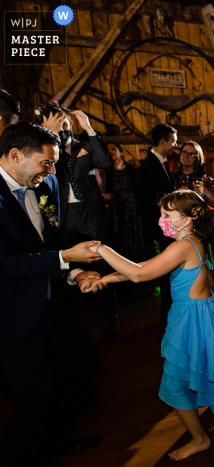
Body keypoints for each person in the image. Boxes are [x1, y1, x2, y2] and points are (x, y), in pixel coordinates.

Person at [83, 190, 214, 460]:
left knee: (175, 385)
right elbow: (146, 265)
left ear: (185, 220)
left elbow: (139, 275)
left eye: (167, 215)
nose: (161, 219)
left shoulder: (183, 245)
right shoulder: (190, 240)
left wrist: (100, 248)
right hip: (204, 314)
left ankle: (200, 439)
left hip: (194, 321)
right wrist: (106, 280)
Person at [0, 121, 103, 466]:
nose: (52, 171)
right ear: (15, 155)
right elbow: (5, 264)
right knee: (35, 395)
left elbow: (47, 241)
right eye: (46, 162)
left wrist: (74, 272)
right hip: (11, 309)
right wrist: (66, 258)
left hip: (50, 299)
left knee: (84, 364)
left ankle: (55, 440)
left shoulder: (45, 186)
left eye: (55, 163)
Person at [36, 102, 119, 348]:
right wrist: (50, 136)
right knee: (68, 269)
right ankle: (71, 331)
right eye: (56, 124)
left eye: (63, 122)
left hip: (91, 213)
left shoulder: (85, 147)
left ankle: (111, 326)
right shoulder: (50, 152)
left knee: (102, 265)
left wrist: (89, 129)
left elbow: (104, 162)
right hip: (64, 216)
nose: (63, 127)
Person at [137, 123, 177, 324]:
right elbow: (146, 202)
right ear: (163, 142)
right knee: (164, 270)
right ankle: (167, 314)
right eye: (172, 141)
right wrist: (164, 225)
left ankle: (171, 310)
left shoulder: (161, 163)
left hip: (165, 227)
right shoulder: (148, 166)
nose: (174, 145)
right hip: (159, 228)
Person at [104, 143, 155, 296]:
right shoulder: (107, 176)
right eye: (108, 150)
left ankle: (148, 283)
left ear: (121, 153)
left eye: (113, 149)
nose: (111, 152)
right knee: (125, 250)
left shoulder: (133, 171)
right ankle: (130, 286)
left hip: (137, 216)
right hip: (121, 218)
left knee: (143, 247)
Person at [173, 141, 214, 208]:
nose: (187, 156)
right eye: (184, 152)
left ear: (197, 158)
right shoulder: (173, 175)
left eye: (191, 154)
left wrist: (207, 193)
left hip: (198, 216)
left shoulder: (205, 177)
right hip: (177, 216)